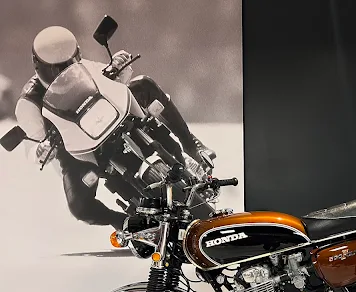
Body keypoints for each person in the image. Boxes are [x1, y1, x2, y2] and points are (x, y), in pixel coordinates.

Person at [14, 26, 212, 230]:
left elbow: (112, 81)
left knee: (144, 85)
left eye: (68, 65)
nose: (62, 73)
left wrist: (116, 67)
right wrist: (40, 150)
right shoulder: (28, 103)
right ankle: (125, 224)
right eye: (54, 70)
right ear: (38, 67)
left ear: (76, 56)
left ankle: (191, 145)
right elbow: (31, 146)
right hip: (78, 148)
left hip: (109, 121)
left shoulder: (83, 68)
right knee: (80, 207)